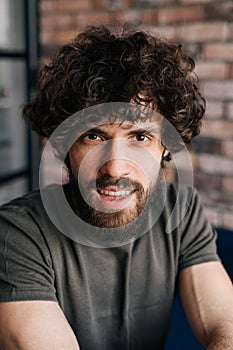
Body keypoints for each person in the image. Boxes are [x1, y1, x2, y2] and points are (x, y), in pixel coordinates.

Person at [0, 24, 233, 350]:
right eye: (93, 136)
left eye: (140, 137)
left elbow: (226, 325)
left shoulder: (181, 211)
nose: (115, 167)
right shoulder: (17, 233)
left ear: (166, 147)